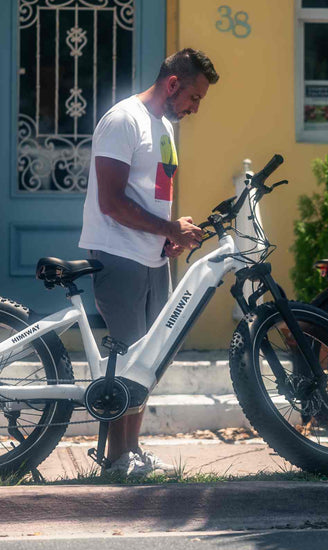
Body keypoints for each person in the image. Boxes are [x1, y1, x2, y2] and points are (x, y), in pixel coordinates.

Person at [78, 48, 218, 476]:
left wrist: (168, 238)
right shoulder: (123, 121)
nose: (195, 109)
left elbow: (153, 197)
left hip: (152, 258)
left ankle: (132, 451)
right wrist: (168, 230)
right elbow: (112, 201)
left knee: (148, 362)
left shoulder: (165, 128)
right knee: (126, 357)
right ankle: (117, 460)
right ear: (173, 84)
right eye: (193, 97)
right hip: (118, 255)